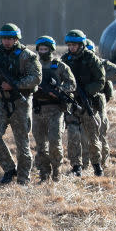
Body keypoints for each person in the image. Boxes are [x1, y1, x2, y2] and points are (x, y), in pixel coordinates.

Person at [0, 23, 41, 185]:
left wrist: (15, 85)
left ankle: (23, 178)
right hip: (1, 101)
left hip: (20, 102)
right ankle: (9, 169)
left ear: (16, 39)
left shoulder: (27, 56)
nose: (6, 41)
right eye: (4, 38)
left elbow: (36, 78)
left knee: (22, 142)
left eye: (10, 39)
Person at [31, 36, 76, 183]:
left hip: (55, 110)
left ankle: (57, 171)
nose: (42, 51)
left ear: (51, 50)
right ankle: (44, 174)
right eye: (40, 49)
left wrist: (59, 90)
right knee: (40, 145)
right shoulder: (33, 65)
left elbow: (72, 84)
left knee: (55, 142)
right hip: (38, 109)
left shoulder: (60, 66)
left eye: (45, 49)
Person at [62, 30, 106, 177]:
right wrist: (69, 91)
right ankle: (76, 166)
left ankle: (96, 164)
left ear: (81, 44)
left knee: (93, 137)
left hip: (88, 103)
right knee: (73, 135)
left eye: (74, 45)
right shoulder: (65, 59)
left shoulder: (91, 59)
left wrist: (86, 91)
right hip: (72, 104)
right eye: (69, 45)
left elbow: (100, 80)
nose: (71, 47)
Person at [86, 39, 116, 171]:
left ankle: (103, 163)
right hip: (85, 104)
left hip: (99, 105)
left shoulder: (101, 64)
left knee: (101, 135)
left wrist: (98, 77)